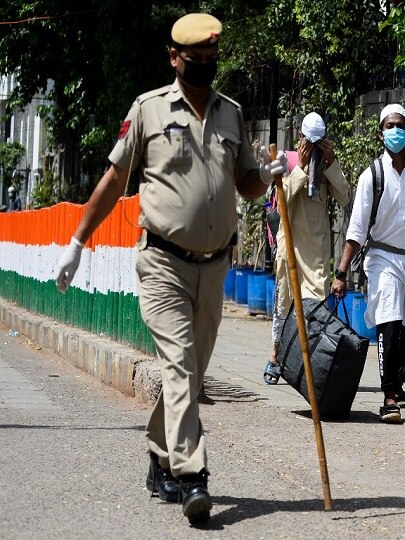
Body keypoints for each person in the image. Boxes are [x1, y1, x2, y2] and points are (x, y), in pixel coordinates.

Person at [54, 13, 287, 525]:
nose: (203, 68)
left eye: (210, 60)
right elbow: (115, 179)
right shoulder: (148, 111)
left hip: (215, 266)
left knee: (191, 373)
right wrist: (77, 241)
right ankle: (192, 476)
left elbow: (244, 183)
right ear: (174, 58)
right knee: (180, 364)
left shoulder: (231, 113)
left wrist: (267, 177)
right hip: (162, 263)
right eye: (194, 60)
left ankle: (160, 455)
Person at [330, 103, 405, 424]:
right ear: (380, 133)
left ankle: (399, 383)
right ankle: (388, 397)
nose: (395, 131)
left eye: (400, 125)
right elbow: (356, 231)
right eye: (389, 126)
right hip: (383, 258)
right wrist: (341, 272)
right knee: (389, 319)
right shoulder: (372, 176)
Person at [264, 112, 350, 384]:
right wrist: (301, 168)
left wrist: (331, 163)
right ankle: (276, 356)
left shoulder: (327, 166)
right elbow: (282, 201)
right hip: (289, 249)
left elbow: (346, 196)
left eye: (318, 143)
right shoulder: (286, 161)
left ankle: (310, 364)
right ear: (300, 138)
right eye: (308, 142)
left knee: (315, 309)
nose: (312, 148)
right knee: (284, 306)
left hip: (316, 253)